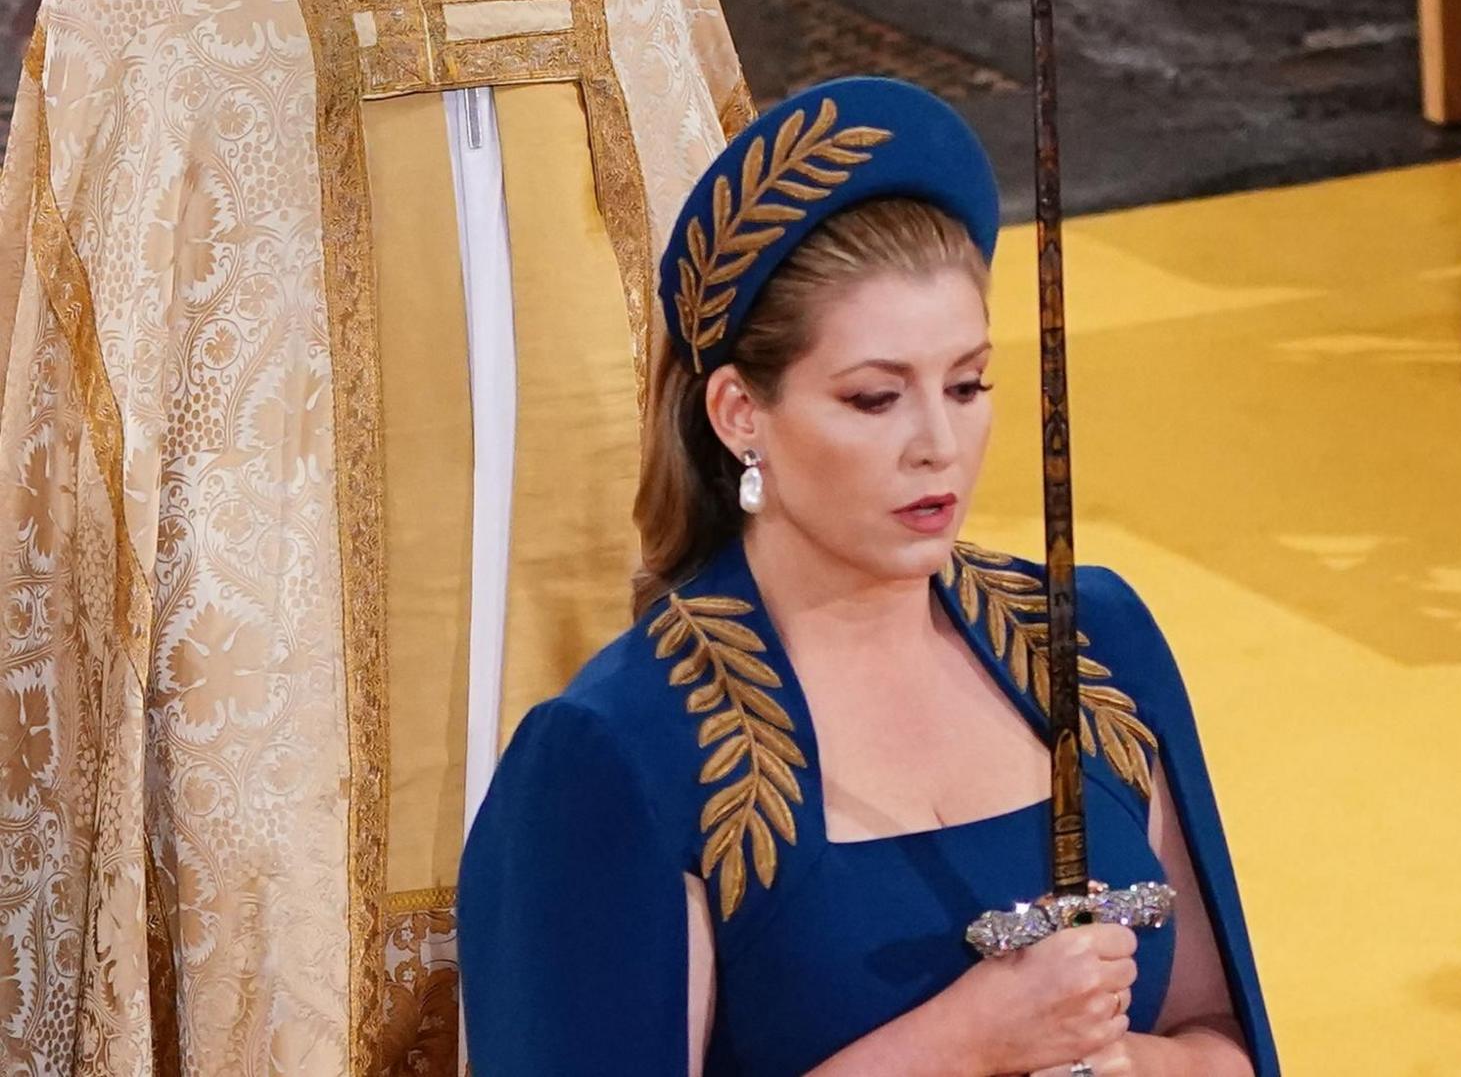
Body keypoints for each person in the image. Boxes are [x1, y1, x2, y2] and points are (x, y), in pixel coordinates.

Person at [459, 77, 1280, 1076]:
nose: (940, 444)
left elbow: (1223, 1039)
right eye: (875, 397)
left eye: (969, 384)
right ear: (738, 413)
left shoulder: (1092, 640)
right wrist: (968, 1041)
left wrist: (1137, 1065)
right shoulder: (615, 754)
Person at [0, 0, 749, 1068]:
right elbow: (67, 507)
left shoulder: (639, 17)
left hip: (605, 742)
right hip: (276, 799)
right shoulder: (166, 28)